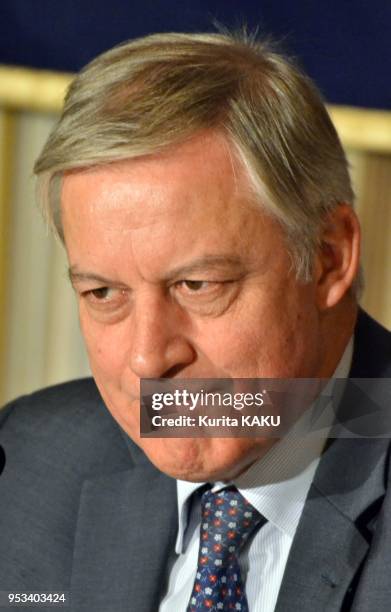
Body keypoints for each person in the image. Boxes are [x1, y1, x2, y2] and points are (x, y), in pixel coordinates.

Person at [0, 30, 390, 612]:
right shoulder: (29, 463)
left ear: (328, 257)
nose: (149, 358)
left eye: (197, 286)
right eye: (104, 292)